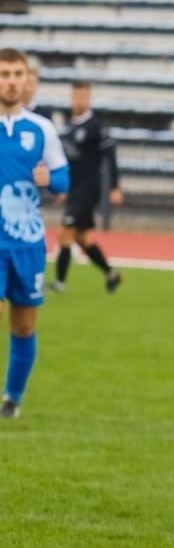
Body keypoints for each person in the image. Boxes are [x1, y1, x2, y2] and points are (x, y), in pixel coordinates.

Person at [0, 48, 69, 419]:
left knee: (23, 325)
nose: (11, 81)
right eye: (4, 73)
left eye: (16, 74)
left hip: (27, 243)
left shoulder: (41, 129)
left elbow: (62, 178)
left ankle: (13, 398)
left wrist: (51, 179)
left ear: (26, 80)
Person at [49, 81, 125, 294]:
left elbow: (111, 157)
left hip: (89, 188)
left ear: (88, 99)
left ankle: (59, 282)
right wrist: (62, 188)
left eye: (82, 96)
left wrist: (115, 187)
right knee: (83, 240)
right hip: (74, 189)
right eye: (75, 96)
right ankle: (112, 273)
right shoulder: (69, 126)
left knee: (65, 232)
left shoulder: (96, 126)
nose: (78, 100)